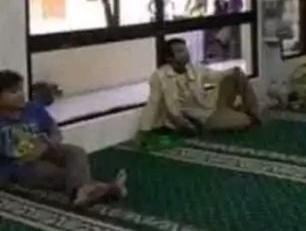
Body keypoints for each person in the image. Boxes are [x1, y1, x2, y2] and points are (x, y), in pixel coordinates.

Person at [0, 70, 127, 206]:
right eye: (13, 92)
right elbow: (15, 154)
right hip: (19, 166)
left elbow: (55, 132)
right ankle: (97, 189)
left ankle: (82, 192)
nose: (21, 95)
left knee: (76, 152)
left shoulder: (33, 109)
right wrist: (30, 153)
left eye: (21, 90)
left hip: (45, 149)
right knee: (51, 172)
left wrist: (47, 144)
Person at [138, 38, 262, 133]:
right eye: (180, 51)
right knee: (244, 121)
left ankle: (253, 113)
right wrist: (144, 130)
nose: (186, 53)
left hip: (211, 104)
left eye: (185, 50)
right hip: (203, 117)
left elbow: (215, 76)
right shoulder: (160, 76)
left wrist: (232, 71)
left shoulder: (194, 68)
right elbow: (153, 104)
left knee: (236, 74)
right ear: (169, 58)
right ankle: (243, 116)